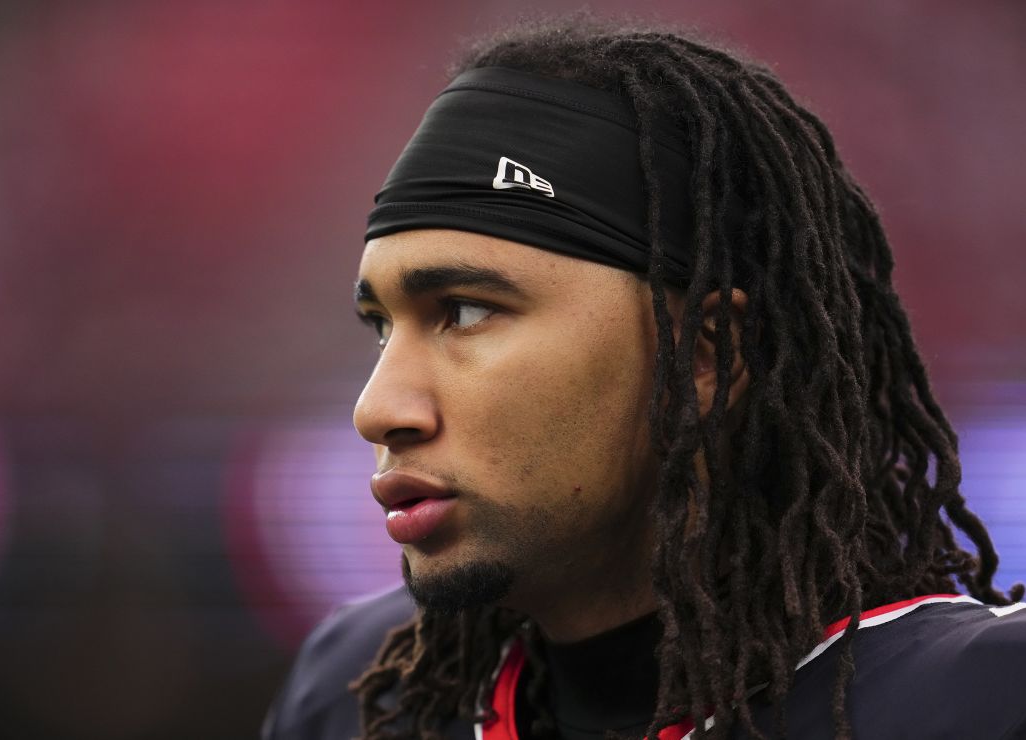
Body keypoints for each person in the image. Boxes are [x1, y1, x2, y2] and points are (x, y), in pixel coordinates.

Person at [263, 17, 1026, 740]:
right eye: (381, 325)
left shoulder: (975, 702)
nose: (377, 410)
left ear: (705, 357)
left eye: (463, 312)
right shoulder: (359, 694)